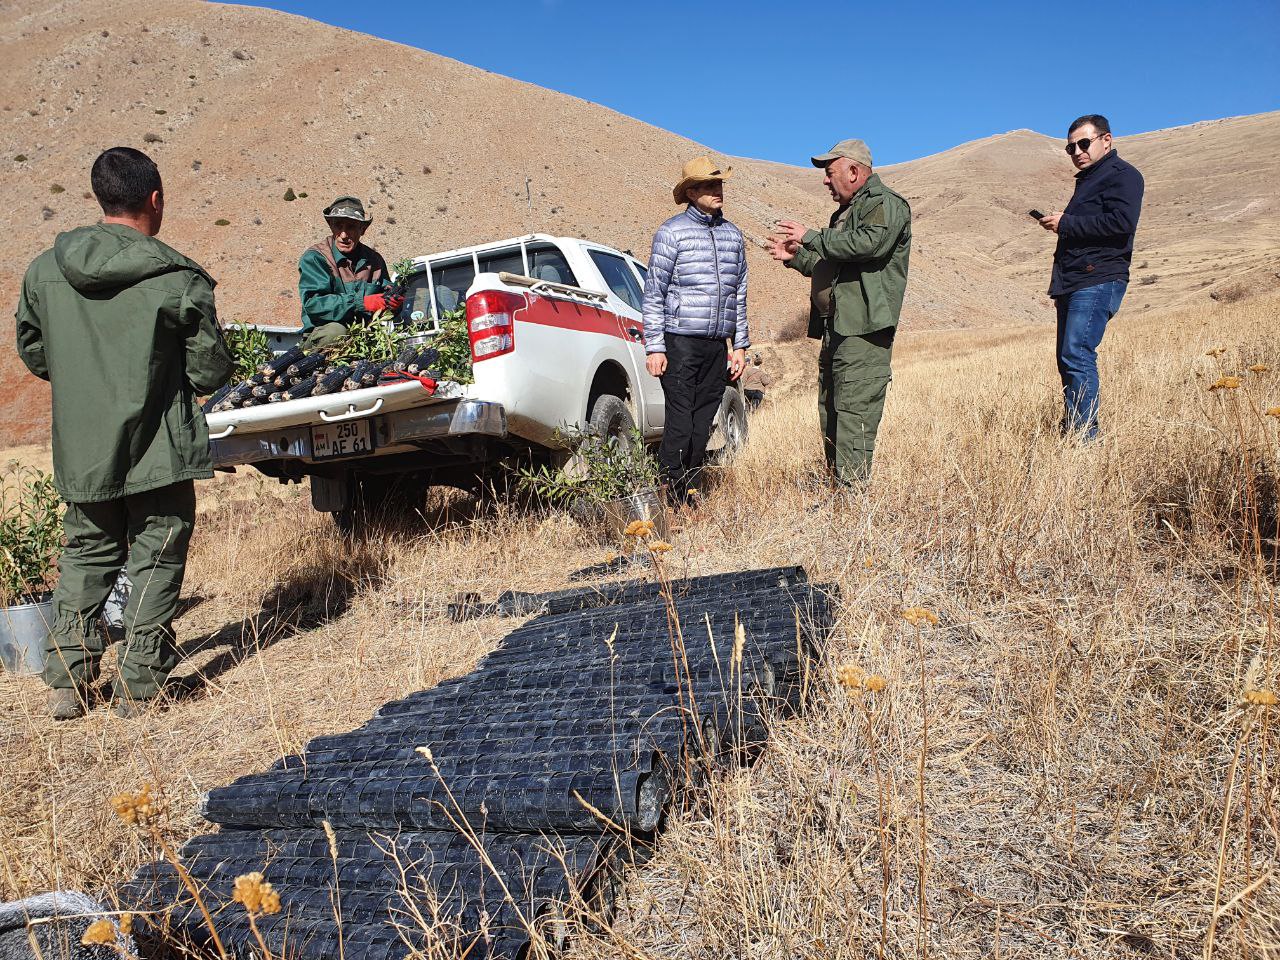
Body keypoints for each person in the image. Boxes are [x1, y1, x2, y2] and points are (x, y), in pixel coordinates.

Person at [14, 146, 233, 719]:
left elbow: (35, 353)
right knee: (156, 555)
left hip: (83, 448)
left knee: (87, 554)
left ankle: (68, 680)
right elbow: (210, 370)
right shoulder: (177, 277)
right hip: (157, 448)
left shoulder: (44, 270)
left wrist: (85, 377)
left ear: (100, 198)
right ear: (154, 200)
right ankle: (140, 686)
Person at [769, 139, 911, 484]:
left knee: (854, 410)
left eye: (830, 173)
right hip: (839, 326)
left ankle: (853, 498)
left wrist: (812, 236)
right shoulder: (846, 211)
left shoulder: (884, 204)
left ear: (853, 171)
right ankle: (838, 488)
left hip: (863, 329)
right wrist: (797, 258)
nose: (825, 181)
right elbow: (835, 265)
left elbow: (868, 244)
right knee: (831, 406)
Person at [641, 156, 749, 503]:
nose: (717, 191)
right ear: (690, 192)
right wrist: (655, 346)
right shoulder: (671, 232)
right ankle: (670, 495)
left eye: (719, 184)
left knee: (703, 424)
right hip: (679, 341)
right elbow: (654, 292)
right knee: (681, 422)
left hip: (717, 345)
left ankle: (689, 489)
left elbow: (740, 294)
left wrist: (740, 346)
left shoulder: (733, 236)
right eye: (707, 185)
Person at [1038, 114, 1144, 439]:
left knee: (1077, 354)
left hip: (1097, 278)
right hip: (1073, 281)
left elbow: (1122, 223)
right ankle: (1074, 431)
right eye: (1071, 148)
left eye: (1084, 143)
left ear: (1106, 140)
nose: (1077, 152)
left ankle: (1084, 439)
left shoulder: (1123, 176)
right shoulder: (1089, 180)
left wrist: (1067, 224)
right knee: (1067, 358)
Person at [298, 196, 402, 350]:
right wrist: (363, 303)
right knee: (337, 332)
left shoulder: (375, 261)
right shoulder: (316, 257)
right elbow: (313, 305)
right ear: (331, 227)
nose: (343, 235)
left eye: (351, 227)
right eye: (338, 226)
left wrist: (394, 302)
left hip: (363, 338)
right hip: (324, 338)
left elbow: (386, 299)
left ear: (363, 230)